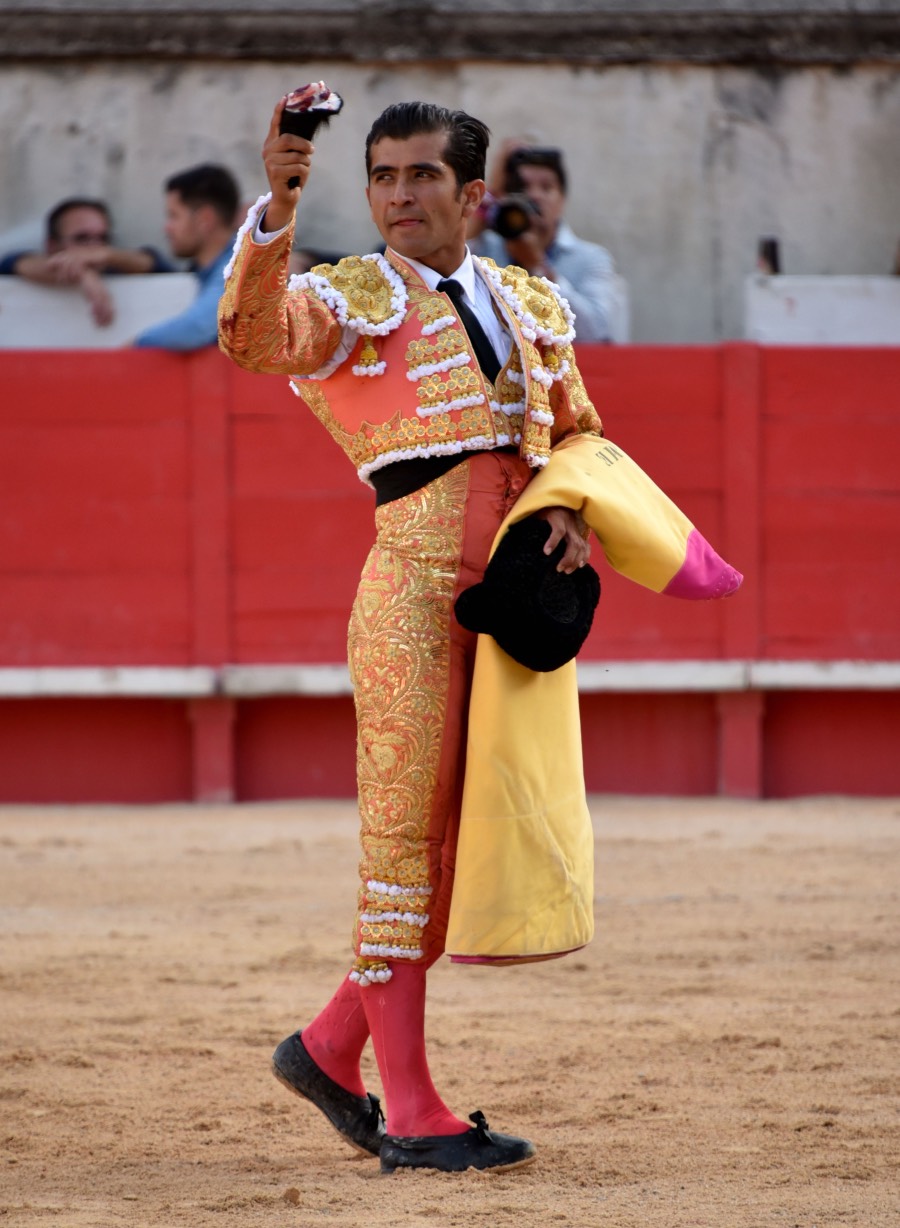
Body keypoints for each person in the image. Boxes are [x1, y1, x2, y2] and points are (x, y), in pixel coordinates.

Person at [218, 97, 606, 1174]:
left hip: (510, 597)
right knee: (406, 849)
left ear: (471, 193)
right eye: (382, 175)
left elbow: (577, 432)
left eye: (421, 176)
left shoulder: (530, 299)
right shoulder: (350, 296)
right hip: (411, 594)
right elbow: (252, 338)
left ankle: (332, 1047)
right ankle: (414, 1106)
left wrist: (568, 507)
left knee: (462, 839)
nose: (396, 194)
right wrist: (280, 205)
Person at [469, 141, 617, 343]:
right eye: (522, 188)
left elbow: (595, 333)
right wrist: (491, 192)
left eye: (546, 188)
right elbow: (448, 263)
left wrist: (537, 266)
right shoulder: (487, 247)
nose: (534, 195)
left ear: (562, 200)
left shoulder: (590, 258)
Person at [0, 197, 172, 327]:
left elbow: (157, 266)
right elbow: (14, 263)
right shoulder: (31, 266)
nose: (94, 248)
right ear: (52, 245)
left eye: (102, 239)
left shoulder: (116, 269)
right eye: (82, 239)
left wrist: (108, 255)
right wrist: (83, 275)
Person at [133, 164, 240, 349]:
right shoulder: (207, 271)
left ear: (204, 220)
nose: (167, 228)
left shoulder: (242, 266)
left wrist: (132, 349)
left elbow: (196, 328)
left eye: (174, 216)